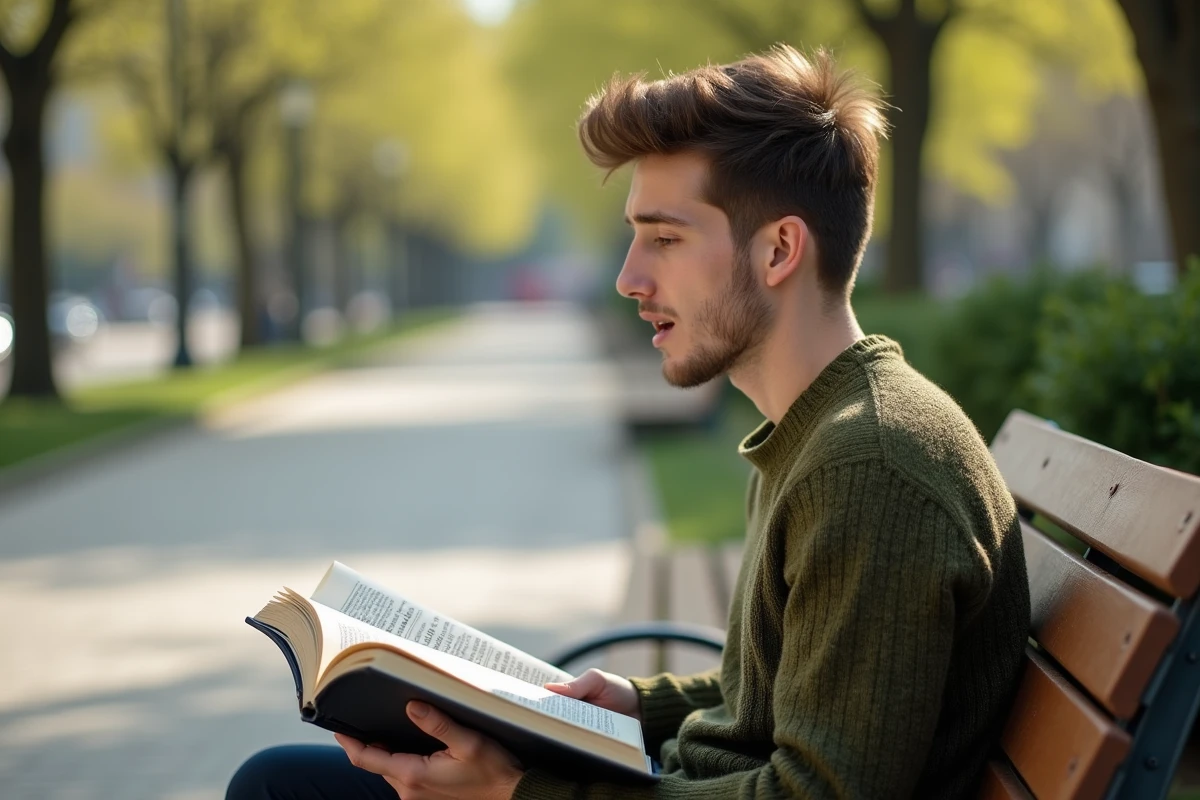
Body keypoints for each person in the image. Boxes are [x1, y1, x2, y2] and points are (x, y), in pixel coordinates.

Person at [227, 44, 1029, 800]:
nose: (628, 279)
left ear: (780, 249)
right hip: (684, 770)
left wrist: (523, 792)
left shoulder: (868, 468)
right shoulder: (830, 431)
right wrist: (633, 704)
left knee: (277, 788)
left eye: (665, 239)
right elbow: (798, 688)